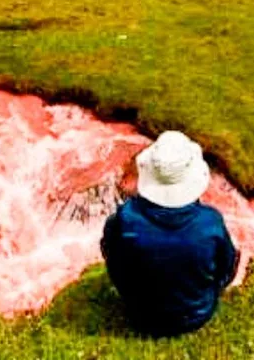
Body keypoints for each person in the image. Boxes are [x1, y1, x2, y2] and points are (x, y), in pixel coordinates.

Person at [101, 131, 239, 337]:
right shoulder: (210, 221)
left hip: (140, 315)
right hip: (197, 314)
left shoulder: (125, 218)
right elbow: (225, 267)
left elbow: (109, 251)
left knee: (111, 244)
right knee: (233, 254)